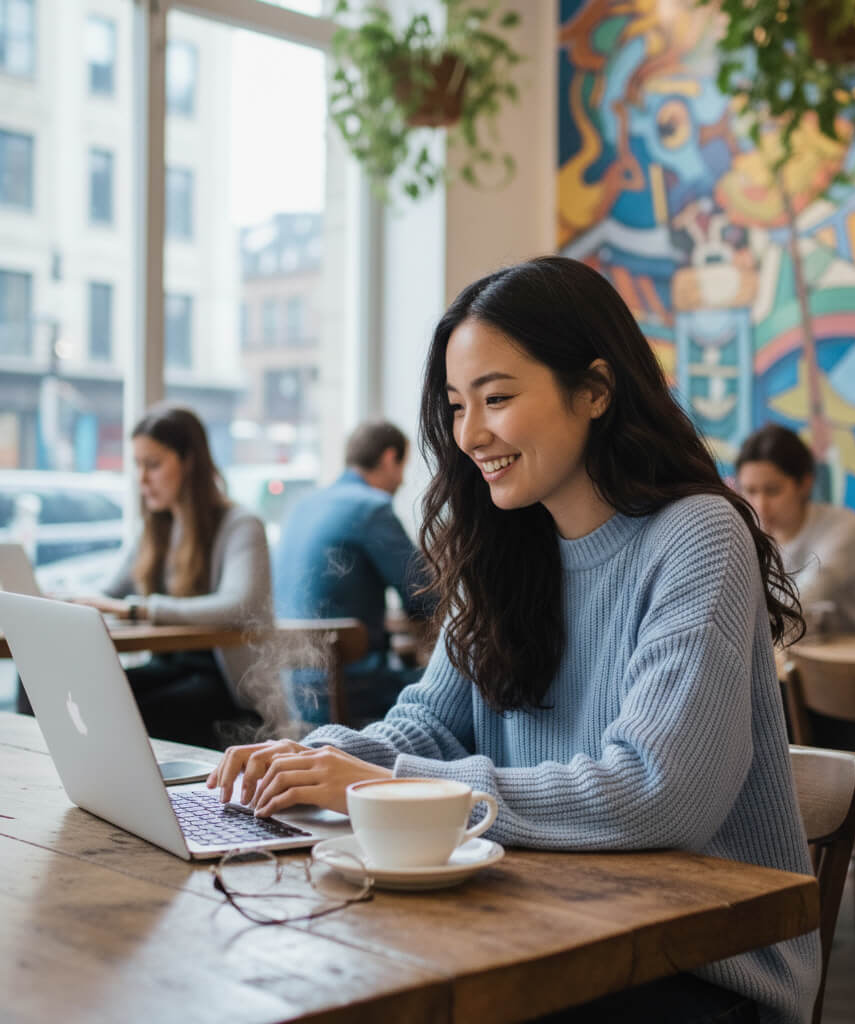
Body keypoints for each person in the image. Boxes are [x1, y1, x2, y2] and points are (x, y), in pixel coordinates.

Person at [208, 257, 819, 1024]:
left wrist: (386, 789)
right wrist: (313, 760)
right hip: (547, 923)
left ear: (595, 389)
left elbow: (659, 794)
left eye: (496, 398)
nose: (470, 434)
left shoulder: (696, 535)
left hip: (696, 967)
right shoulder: (505, 543)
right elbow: (425, 725)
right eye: (458, 406)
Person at [76, 405, 280, 748]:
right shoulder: (155, 529)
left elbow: (238, 605)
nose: (142, 480)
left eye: (152, 465)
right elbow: (108, 592)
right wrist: (63, 603)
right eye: (138, 466)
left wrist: (139, 610)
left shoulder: (241, 525)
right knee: (74, 695)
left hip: (225, 686)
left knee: (125, 711)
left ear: (189, 462)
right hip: (170, 670)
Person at [273, 420, 436, 727]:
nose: (401, 481)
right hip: (345, 688)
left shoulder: (302, 505)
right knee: (457, 692)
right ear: (390, 459)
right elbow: (424, 594)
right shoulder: (372, 508)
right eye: (403, 468)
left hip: (292, 689)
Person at [735, 423, 855, 637]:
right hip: (781, 657)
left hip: (845, 660)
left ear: (805, 484)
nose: (760, 505)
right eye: (750, 491)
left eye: (772, 491)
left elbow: (805, 595)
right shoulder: (743, 535)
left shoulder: (843, 525)